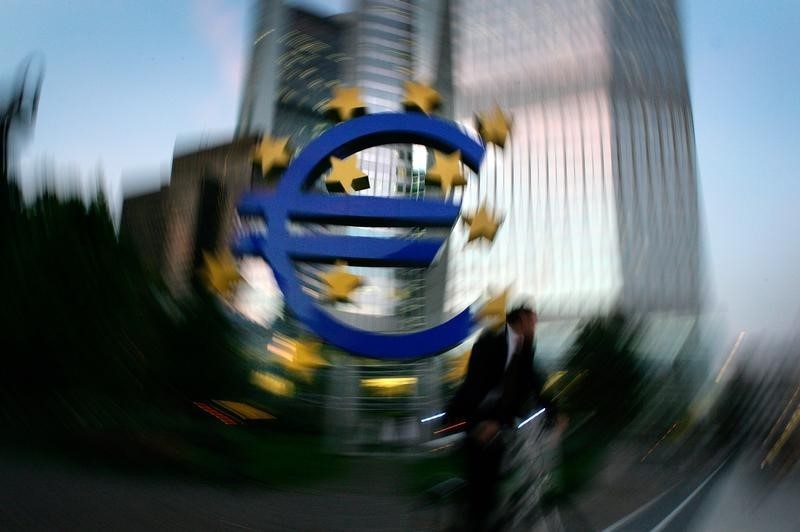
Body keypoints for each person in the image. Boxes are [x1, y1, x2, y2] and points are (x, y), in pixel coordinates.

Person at [444, 303, 552, 530]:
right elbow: (474, 385)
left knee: (499, 479)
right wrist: (482, 423)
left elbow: (531, 381)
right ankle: (475, 522)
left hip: (500, 420)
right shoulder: (489, 342)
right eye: (532, 321)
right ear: (520, 320)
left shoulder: (525, 346)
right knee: (481, 487)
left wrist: (555, 411)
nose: (535, 326)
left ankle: (495, 517)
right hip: (475, 416)